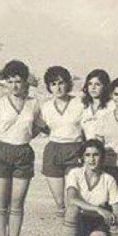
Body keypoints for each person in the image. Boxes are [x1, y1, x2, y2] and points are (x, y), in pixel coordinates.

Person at [0, 60, 46, 236]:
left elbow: (39, 126)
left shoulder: (34, 104)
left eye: (18, 81)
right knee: (1, 202)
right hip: (0, 152)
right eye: (10, 82)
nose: (14, 86)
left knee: (18, 203)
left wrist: (26, 136)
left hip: (23, 153)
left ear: (25, 81)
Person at [40, 66, 85, 223]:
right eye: (53, 84)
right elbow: (43, 127)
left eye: (61, 83)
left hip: (76, 149)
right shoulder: (46, 107)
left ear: (68, 84)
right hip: (53, 150)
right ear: (49, 87)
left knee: (73, 201)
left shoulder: (80, 103)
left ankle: (76, 235)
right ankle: (64, 235)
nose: (58, 88)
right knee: (60, 203)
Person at [80, 69, 114, 141]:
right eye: (90, 84)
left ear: (105, 86)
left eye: (97, 84)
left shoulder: (112, 106)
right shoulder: (84, 106)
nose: (93, 87)